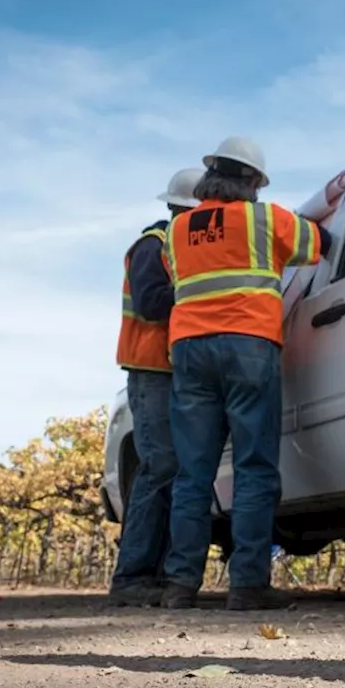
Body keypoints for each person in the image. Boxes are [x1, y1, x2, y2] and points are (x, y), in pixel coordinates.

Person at [160, 136, 332, 611]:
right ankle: (248, 584)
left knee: (193, 474)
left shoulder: (176, 232)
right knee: (254, 467)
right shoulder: (265, 218)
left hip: (190, 351)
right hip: (248, 346)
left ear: (213, 176)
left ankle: (180, 585)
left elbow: (178, 278)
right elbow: (318, 245)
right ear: (253, 180)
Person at [108, 167, 204, 607]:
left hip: (168, 371)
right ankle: (132, 576)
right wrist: (202, 293)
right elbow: (151, 302)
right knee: (159, 468)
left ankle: (158, 574)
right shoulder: (155, 245)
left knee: (172, 471)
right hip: (151, 371)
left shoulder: (172, 246)